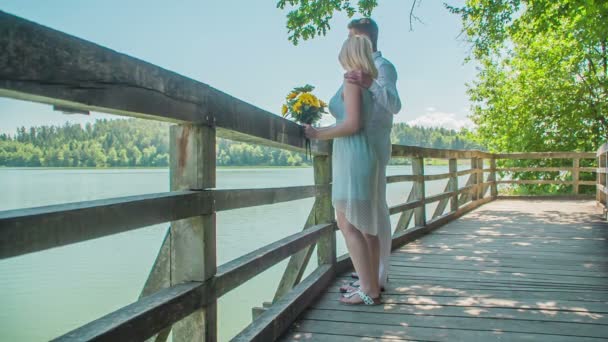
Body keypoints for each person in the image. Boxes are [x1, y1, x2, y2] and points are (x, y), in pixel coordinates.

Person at [303, 34, 383, 305]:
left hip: (353, 156)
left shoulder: (351, 80)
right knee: (366, 227)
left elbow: (352, 124)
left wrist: (317, 133)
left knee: (349, 224)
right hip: (363, 155)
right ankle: (370, 284)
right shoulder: (366, 84)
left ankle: (369, 291)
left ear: (349, 54)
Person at [341, 18, 402, 293]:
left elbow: (395, 104)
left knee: (374, 213)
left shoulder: (383, 67)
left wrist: (371, 84)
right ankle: (368, 276)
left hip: (373, 148)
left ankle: (378, 278)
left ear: (367, 39)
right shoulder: (358, 67)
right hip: (356, 148)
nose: (350, 42)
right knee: (364, 215)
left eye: (354, 37)